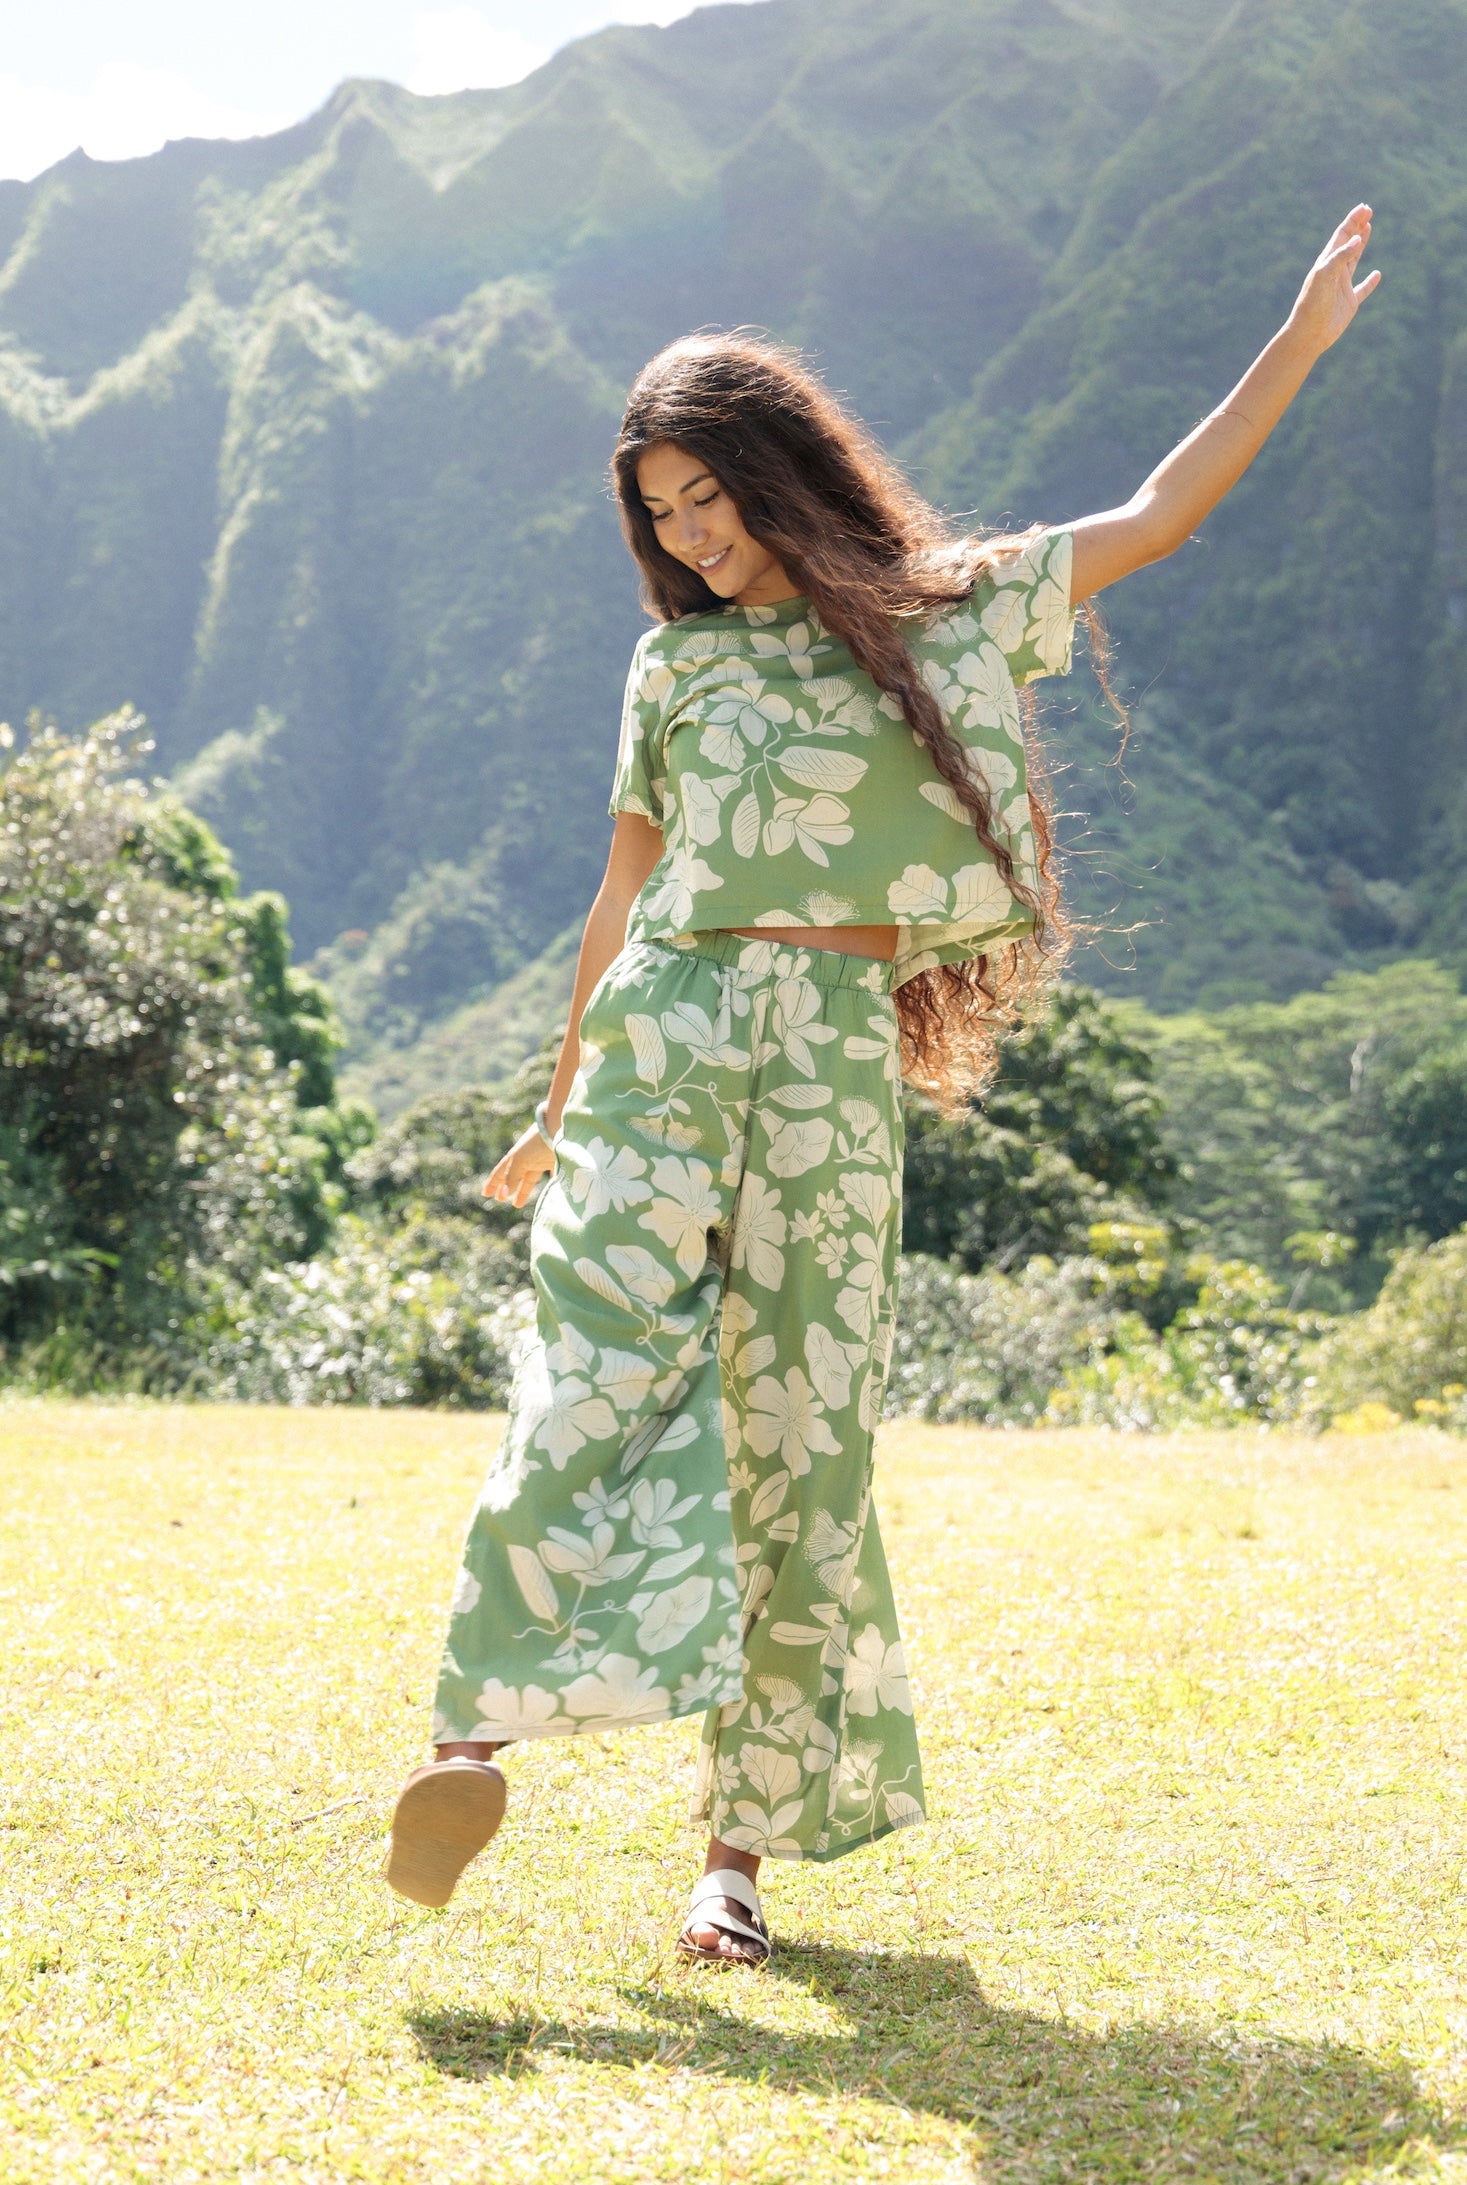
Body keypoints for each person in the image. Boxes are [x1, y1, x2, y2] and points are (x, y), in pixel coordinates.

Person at [383, 208, 1380, 1962]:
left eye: (711, 499)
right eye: (661, 516)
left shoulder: (944, 614)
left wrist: (1293, 346)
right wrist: (553, 1105)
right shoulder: (669, 666)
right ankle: (468, 1742)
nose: (691, 540)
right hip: (666, 1036)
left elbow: (1156, 518)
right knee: (590, 1363)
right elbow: (622, 895)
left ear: (781, 472)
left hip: (829, 1065)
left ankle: (735, 1863)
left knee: (799, 1442)